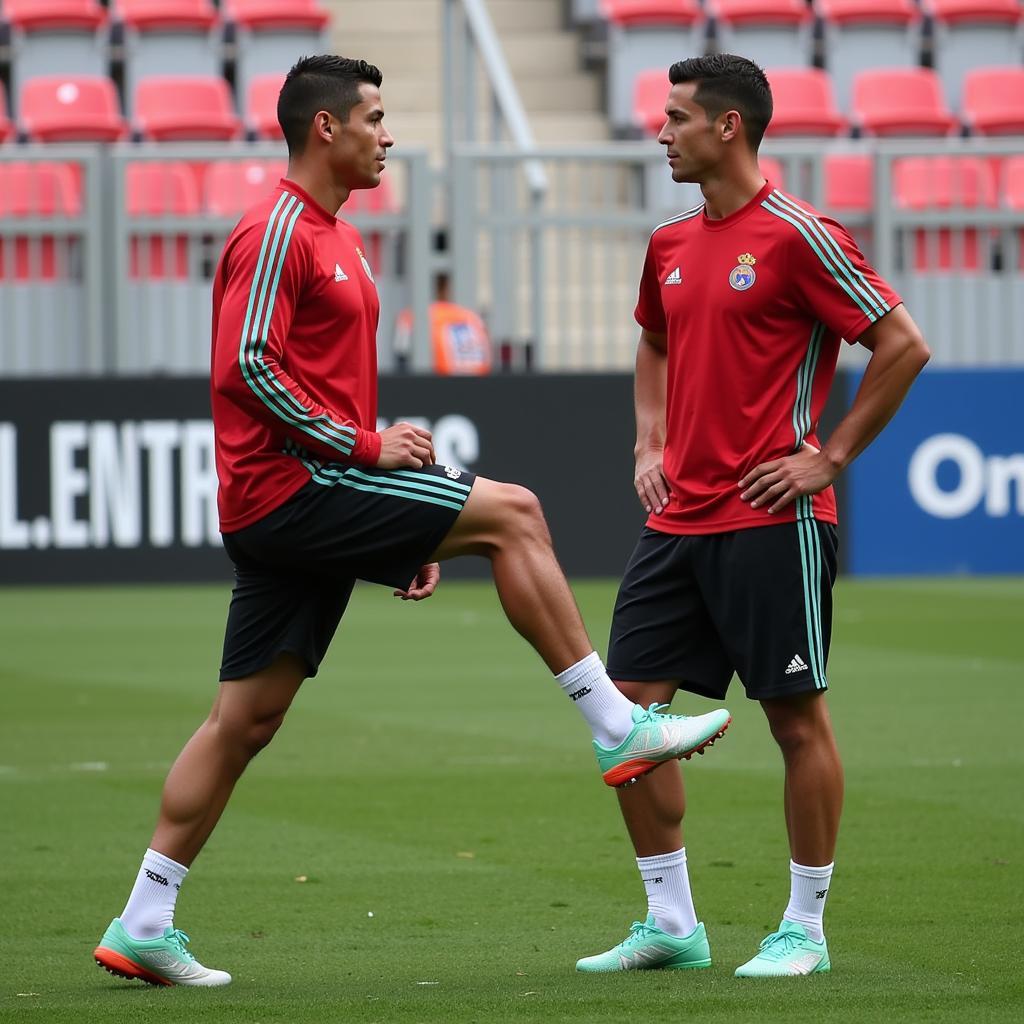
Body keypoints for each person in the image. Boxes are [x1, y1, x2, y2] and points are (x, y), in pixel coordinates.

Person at [91, 54, 731, 988]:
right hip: (292, 489)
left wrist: (397, 533)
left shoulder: (336, 236)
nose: (388, 136)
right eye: (375, 118)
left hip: (297, 500)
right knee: (514, 513)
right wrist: (362, 448)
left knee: (244, 717)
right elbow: (246, 369)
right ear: (326, 128)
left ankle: (143, 920)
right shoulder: (276, 230)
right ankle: (613, 722)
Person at [575, 54, 930, 978]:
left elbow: (901, 343)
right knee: (627, 722)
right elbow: (652, 340)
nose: (661, 133)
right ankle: (671, 922)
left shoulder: (799, 236)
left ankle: (804, 928)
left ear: (726, 127)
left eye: (676, 117)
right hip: (678, 523)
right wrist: (648, 443)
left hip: (778, 518)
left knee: (795, 722)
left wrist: (831, 453)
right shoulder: (668, 242)